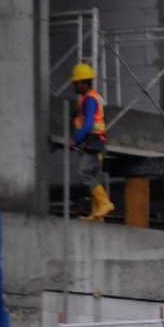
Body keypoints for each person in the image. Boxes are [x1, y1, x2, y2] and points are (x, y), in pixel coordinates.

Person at [70, 62, 115, 222]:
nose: (74, 86)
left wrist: (75, 139)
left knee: (84, 173)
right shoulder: (91, 98)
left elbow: (88, 123)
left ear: (84, 82)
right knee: (94, 177)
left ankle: (104, 203)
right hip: (98, 143)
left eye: (76, 83)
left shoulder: (89, 99)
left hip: (94, 142)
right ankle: (98, 215)